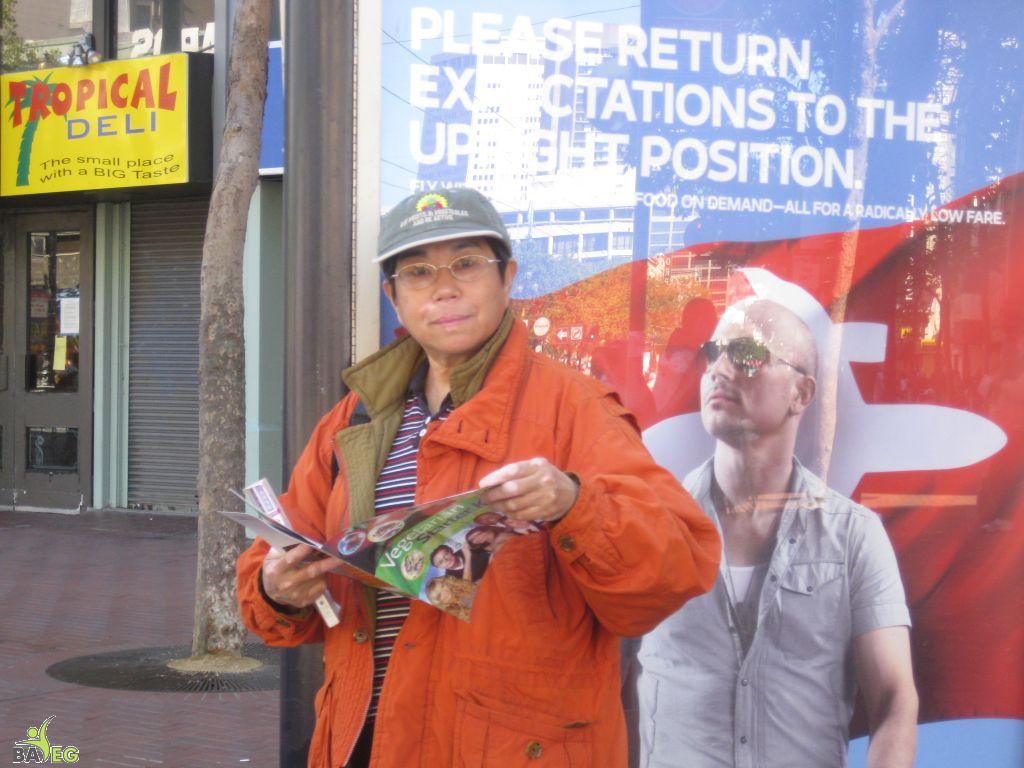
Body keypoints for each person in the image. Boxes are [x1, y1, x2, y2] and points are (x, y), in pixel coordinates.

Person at [236, 187, 720, 768]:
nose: (444, 288)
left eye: (466, 264)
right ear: (394, 297)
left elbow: (673, 572)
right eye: (418, 272)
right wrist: (278, 589)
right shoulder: (355, 420)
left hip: (513, 750)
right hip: (360, 741)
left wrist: (574, 503)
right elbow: (279, 558)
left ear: (507, 277)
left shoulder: (575, 407)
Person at [631, 298, 918, 768]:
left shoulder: (853, 536)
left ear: (801, 393)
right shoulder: (649, 524)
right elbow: (608, 680)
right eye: (712, 352)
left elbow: (893, 699)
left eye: (746, 354)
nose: (719, 369)